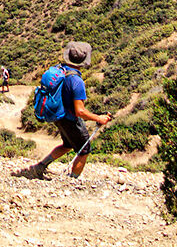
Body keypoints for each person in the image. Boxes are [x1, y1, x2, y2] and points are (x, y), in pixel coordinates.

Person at [17, 41, 109, 181]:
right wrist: (99, 118)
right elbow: (80, 111)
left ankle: (40, 167)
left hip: (59, 117)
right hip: (71, 120)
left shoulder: (61, 70)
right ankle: (72, 180)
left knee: (67, 145)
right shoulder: (77, 81)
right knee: (84, 150)